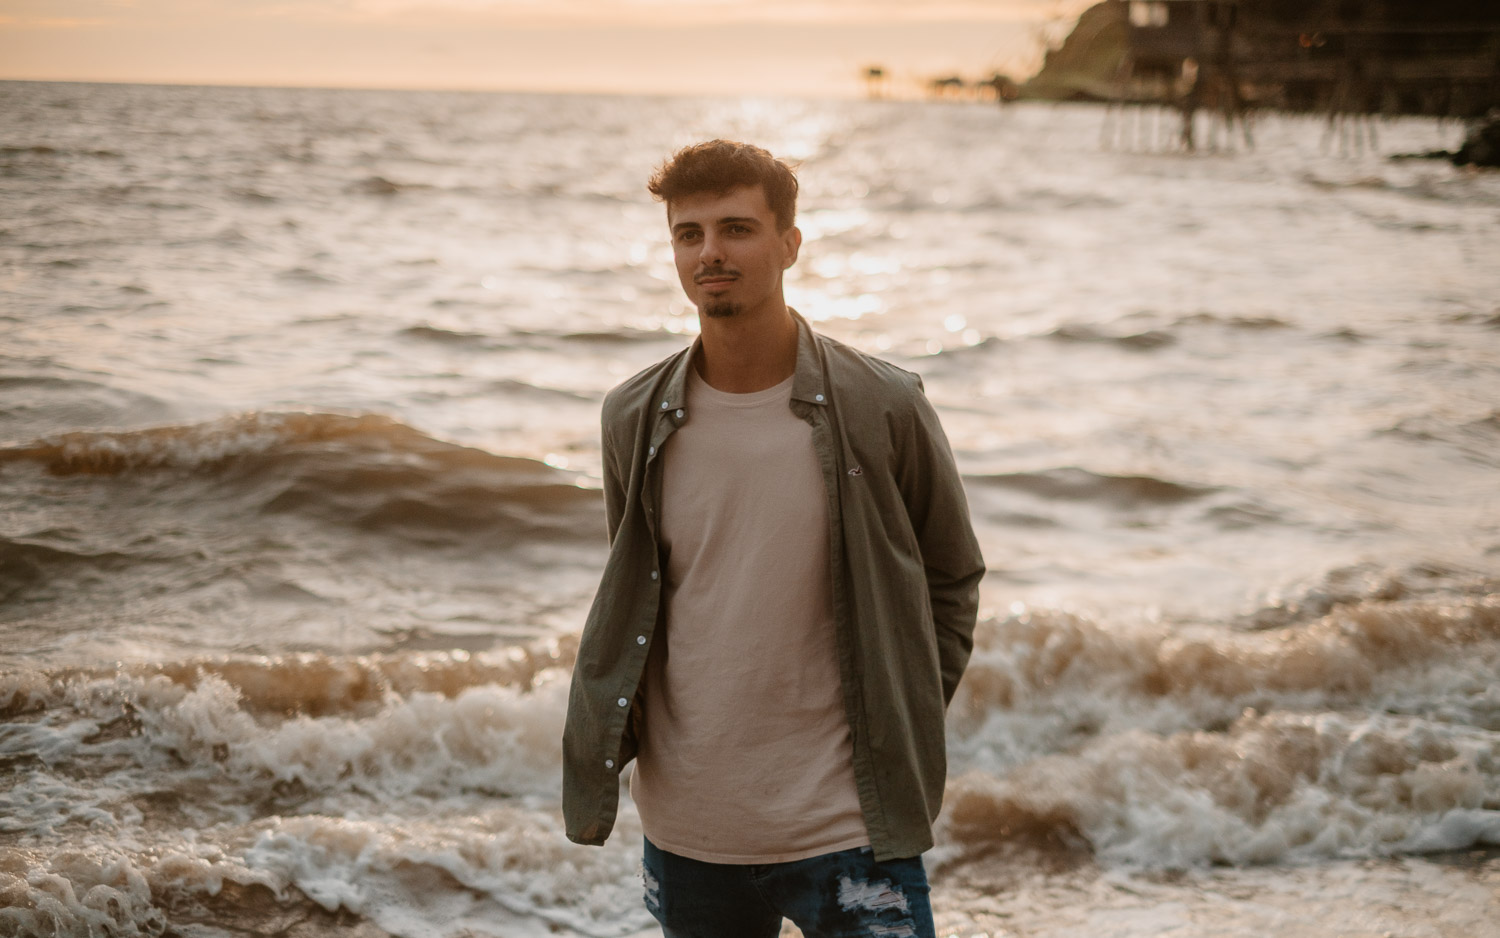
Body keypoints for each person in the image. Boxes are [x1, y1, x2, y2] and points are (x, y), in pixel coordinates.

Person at [562, 139, 984, 938]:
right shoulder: (634, 416)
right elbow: (639, 589)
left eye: (736, 229)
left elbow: (952, 574)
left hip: (848, 823)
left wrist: (908, 706)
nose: (710, 252)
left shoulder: (883, 405)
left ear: (789, 244)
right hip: (690, 829)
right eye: (689, 234)